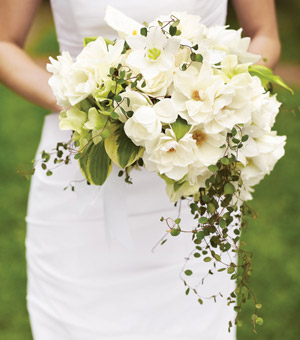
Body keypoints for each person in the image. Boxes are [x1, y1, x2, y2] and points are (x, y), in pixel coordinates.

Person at [0, 1, 281, 339]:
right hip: (80, 185)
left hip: (193, 178)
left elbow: (264, 34)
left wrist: (215, 100)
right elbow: (4, 43)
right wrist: (92, 102)